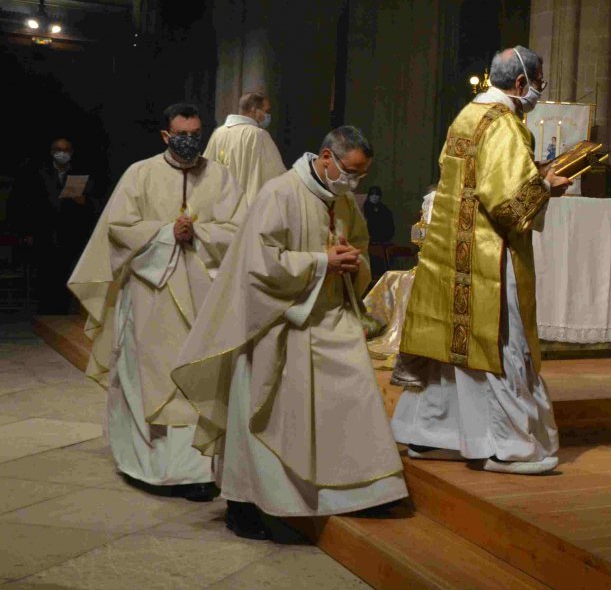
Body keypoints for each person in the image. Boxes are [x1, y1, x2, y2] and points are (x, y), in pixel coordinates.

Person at [171, 126, 408, 540]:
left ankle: (362, 490)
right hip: (279, 320)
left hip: (330, 312)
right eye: (350, 172)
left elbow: (359, 243)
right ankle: (247, 503)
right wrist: (320, 262)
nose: (353, 183)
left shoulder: (342, 200)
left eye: (361, 176)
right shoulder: (279, 193)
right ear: (326, 157)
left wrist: (352, 261)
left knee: (355, 392)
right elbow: (257, 261)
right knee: (271, 410)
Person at [391, 46, 570, 475]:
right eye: (539, 82)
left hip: (452, 251)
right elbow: (508, 202)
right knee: (499, 342)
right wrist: (547, 187)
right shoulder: (505, 123)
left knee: (449, 347)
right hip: (490, 255)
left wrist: (535, 171)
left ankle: (429, 434)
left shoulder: (467, 115)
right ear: (522, 83)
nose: (539, 90)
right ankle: (505, 446)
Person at [68, 103, 243, 499]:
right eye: (182, 133)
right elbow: (119, 229)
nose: (190, 140)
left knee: (196, 376)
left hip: (203, 296)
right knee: (146, 376)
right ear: (166, 135)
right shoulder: (140, 174)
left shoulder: (221, 176)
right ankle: (144, 464)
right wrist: (166, 233)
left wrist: (198, 233)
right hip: (151, 293)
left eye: (197, 133)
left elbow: (239, 229)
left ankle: (196, 469)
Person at [18, 137, 98, 314]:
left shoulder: (79, 174)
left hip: (70, 232)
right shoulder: (39, 173)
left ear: (71, 152)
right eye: (57, 150)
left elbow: (95, 205)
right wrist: (27, 231)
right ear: (51, 152)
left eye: (66, 150)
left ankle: (63, 312)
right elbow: (26, 203)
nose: (61, 153)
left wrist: (83, 201)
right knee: (45, 272)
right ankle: (45, 312)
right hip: (44, 231)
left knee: (67, 272)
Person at [202, 91, 286, 205]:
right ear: (254, 110)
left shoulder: (218, 133)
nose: (267, 116)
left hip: (220, 207)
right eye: (266, 111)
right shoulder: (258, 135)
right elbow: (276, 176)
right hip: (246, 210)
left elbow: (205, 172)